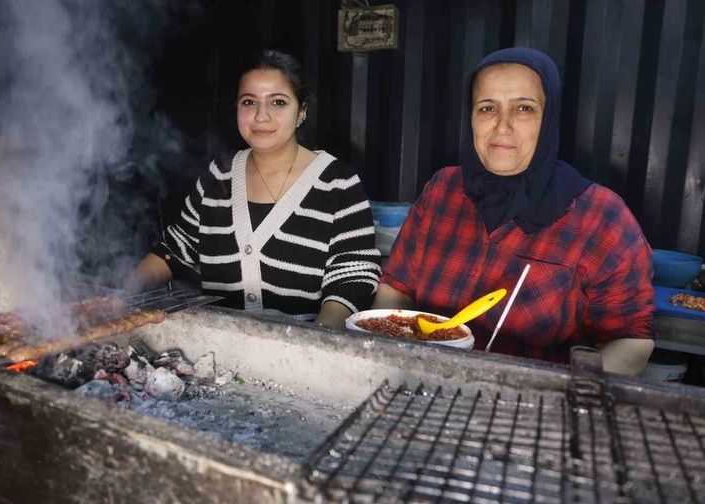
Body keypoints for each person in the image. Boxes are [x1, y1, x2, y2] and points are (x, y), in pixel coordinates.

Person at [373, 47, 655, 375]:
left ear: (548, 118)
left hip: (531, 409)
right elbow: (396, 288)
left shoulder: (602, 218)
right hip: (425, 384)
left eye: (524, 109)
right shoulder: (442, 190)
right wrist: (393, 361)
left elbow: (631, 340)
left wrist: (559, 395)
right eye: (487, 108)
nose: (502, 126)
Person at [129, 50, 381, 326]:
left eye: (278, 102)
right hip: (215, 355)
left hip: (304, 357)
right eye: (249, 102)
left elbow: (353, 278)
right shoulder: (218, 177)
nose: (261, 116)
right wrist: (118, 299)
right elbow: (174, 251)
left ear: (302, 111)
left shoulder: (338, 183)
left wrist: (313, 345)